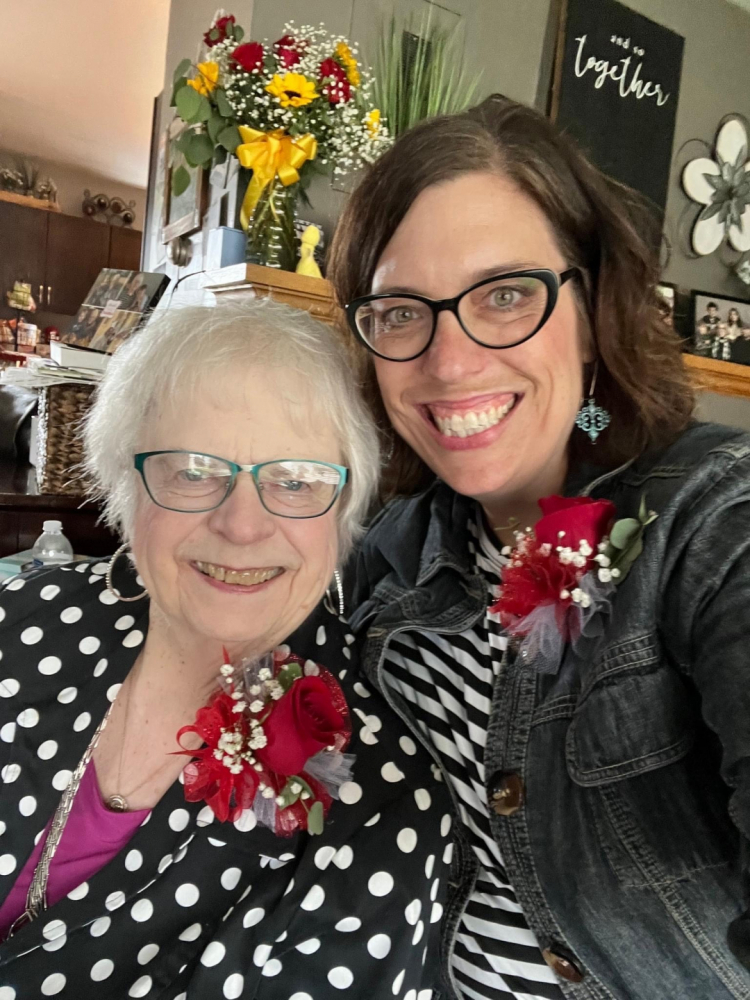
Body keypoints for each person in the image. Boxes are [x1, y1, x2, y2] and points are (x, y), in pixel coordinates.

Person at [328, 95, 750, 1000]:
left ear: (593, 309)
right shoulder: (394, 544)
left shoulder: (711, 519)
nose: (449, 361)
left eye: (507, 294)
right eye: (403, 311)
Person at [0, 299, 453, 997]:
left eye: (296, 481)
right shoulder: (28, 615)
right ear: (126, 483)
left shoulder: (382, 803)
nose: (242, 525)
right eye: (191, 470)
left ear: (345, 511)